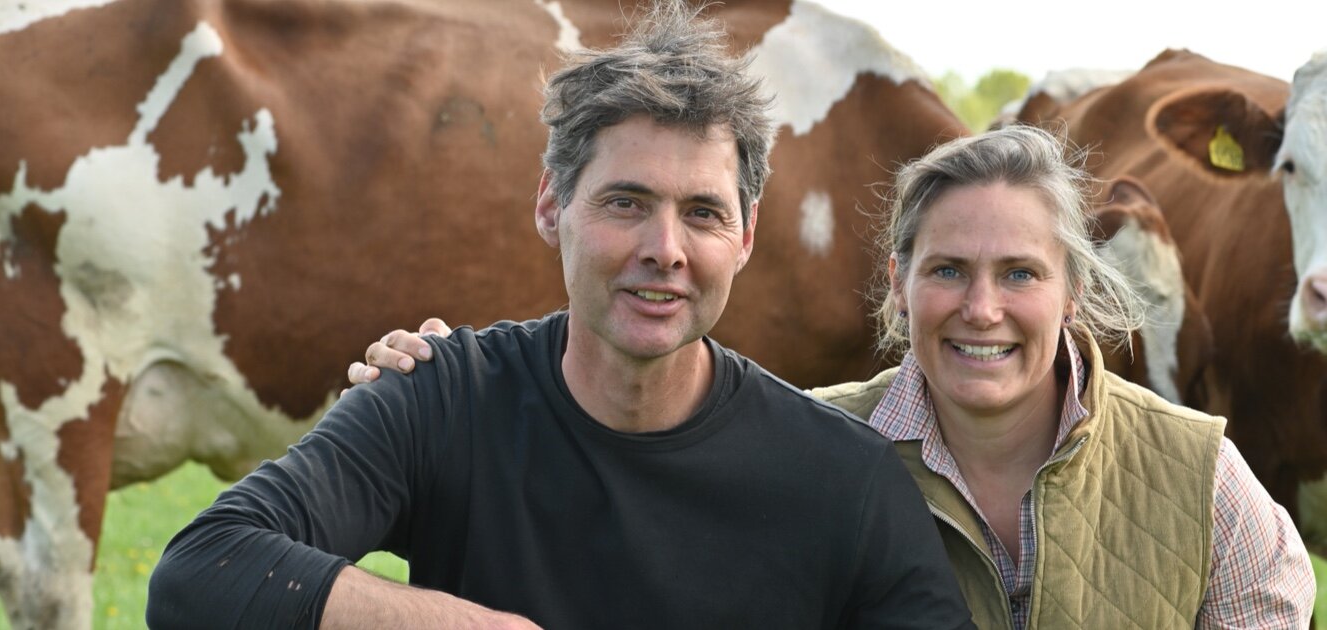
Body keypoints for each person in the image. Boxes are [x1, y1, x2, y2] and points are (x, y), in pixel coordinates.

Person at [146, 2, 974, 628]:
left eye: (703, 213)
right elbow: (200, 571)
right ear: (552, 206)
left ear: (746, 237)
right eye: (626, 201)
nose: (665, 248)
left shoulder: (843, 478)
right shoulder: (443, 398)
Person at [352, 125, 1317, 628]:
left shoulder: (1204, 483)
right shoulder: (800, 453)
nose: (981, 309)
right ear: (898, 286)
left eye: (1020, 273)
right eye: (946, 270)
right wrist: (450, 389)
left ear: (1071, 293)